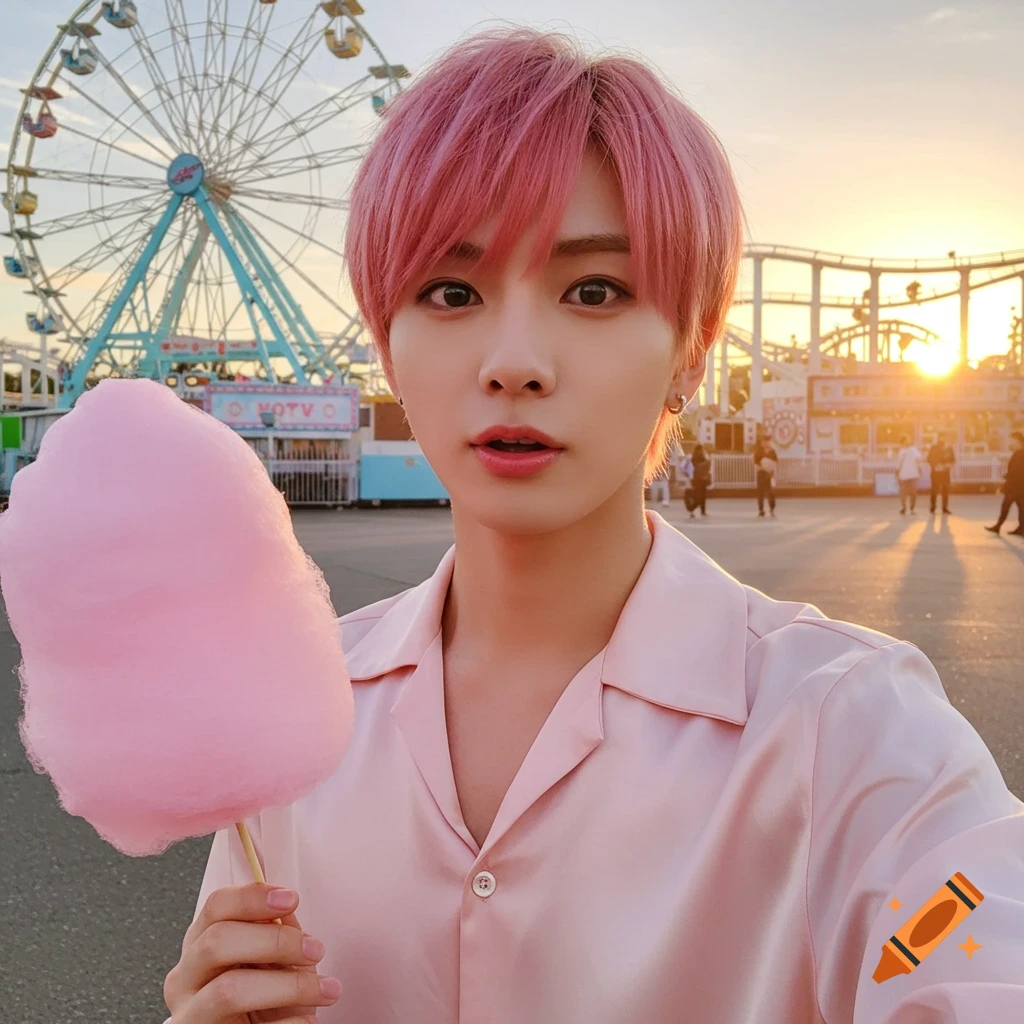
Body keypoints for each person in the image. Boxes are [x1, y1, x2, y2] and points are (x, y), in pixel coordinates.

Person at [163, 27, 1024, 1024]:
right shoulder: (288, 719)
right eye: (451, 291)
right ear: (386, 345)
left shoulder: (853, 732)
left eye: (594, 290)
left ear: (693, 350)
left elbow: (974, 952)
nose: (515, 361)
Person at [986, 430, 1024, 536]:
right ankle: (1021, 528)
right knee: (1021, 507)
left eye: (1013, 441)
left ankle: (998, 526)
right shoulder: (1019, 453)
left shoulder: (1019, 454)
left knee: (1006, 506)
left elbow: (1016, 472)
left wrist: (1005, 485)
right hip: (1019, 486)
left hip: (1015, 487)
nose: (1011, 443)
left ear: (1018, 441)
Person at [927, 433, 956, 514]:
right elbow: (929, 459)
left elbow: (953, 460)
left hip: (945, 472)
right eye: (941, 437)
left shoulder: (949, 448)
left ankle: (945, 507)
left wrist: (948, 465)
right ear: (938, 438)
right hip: (936, 472)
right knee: (934, 490)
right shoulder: (934, 448)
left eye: (944, 437)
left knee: (945, 490)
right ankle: (933, 506)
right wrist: (935, 466)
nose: (942, 439)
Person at [895, 433, 922, 514]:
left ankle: (912, 508)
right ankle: (904, 507)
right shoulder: (902, 451)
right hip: (904, 474)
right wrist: (896, 470)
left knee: (913, 492)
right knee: (904, 492)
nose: (907, 442)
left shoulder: (913, 449)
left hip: (912, 474)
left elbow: (918, 459)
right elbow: (898, 462)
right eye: (905, 441)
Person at [753, 433, 778, 518]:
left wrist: (773, 474)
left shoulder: (772, 452)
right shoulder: (758, 452)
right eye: (763, 441)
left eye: (766, 441)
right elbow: (756, 463)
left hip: (769, 475)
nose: (765, 443)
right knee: (760, 493)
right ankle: (761, 510)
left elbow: (775, 463)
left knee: (770, 493)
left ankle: (772, 509)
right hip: (761, 474)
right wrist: (762, 467)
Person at [689, 442, 711, 516]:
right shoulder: (702, 456)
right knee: (702, 496)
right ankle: (698, 510)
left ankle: (696, 510)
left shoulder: (693, 457)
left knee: (698, 495)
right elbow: (707, 465)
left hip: (696, 479)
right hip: (702, 478)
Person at [677, 448, 697, 518]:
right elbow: (682, 468)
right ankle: (691, 510)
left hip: (692, 479)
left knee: (691, 495)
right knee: (690, 495)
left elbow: (682, 468)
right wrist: (687, 474)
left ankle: (691, 509)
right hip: (690, 479)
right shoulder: (688, 460)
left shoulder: (690, 460)